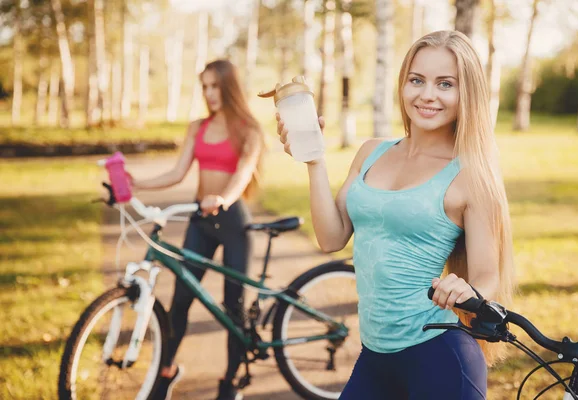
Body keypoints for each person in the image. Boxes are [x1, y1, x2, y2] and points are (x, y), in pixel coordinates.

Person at [276, 30, 515, 399]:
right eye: (416, 80)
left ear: (466, 93)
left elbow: (487, 275)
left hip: (440, 358)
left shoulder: (470, 175)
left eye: (445, 84)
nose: (427, 94)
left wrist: (465, 287)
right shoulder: (371, 152)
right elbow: (331, 238)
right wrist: (314, 160)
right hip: (375, 355)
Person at [130, 59, 265, 400]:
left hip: (234, 222)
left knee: (234, 306)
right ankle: (167, 370)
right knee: (181, 300)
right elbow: (177, 173)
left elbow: (244, 172)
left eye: (215, 86)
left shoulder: (249, 128)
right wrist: (136, 184)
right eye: (204, 86)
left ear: (229, 88)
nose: (209, 93)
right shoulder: (197, 127)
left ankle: (230, 382)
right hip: (201, 222)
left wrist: (224, 197)